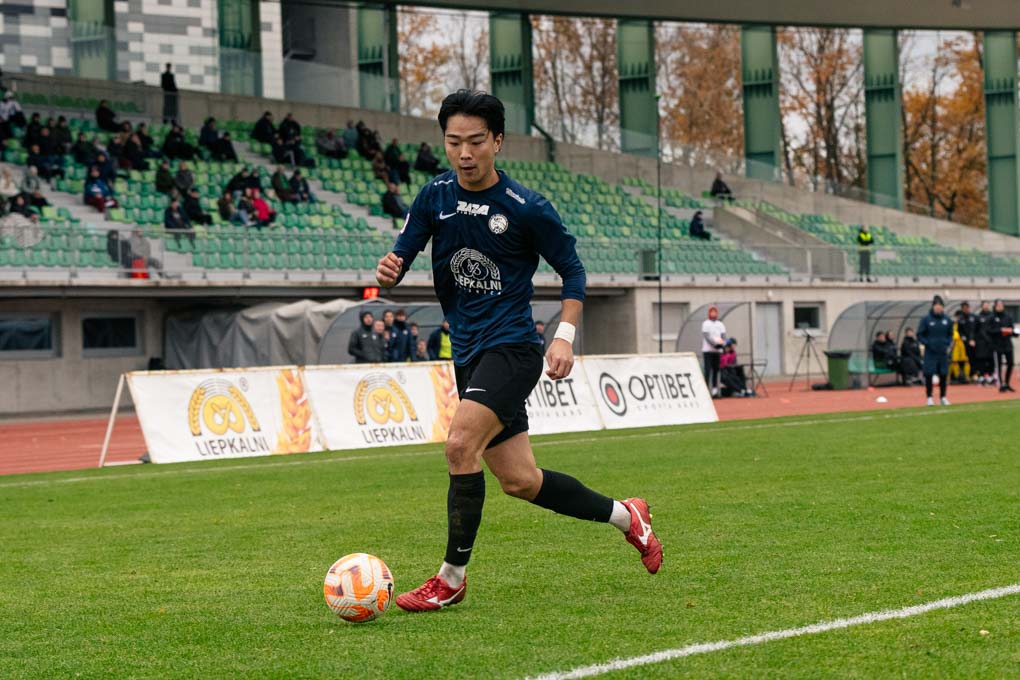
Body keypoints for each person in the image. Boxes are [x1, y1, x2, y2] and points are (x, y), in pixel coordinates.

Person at [376, 90, 661, 612]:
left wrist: (564, 336)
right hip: (468, 354)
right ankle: (628, 517)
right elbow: (400, 257)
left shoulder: (527, 208)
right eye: (454, 142)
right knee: (520, 481)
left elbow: (573, 272)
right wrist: (390, 269)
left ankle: (451, 579)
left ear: (498, 141)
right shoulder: (434, 195)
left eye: (476, 141)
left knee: (459, 446)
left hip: (512, 349)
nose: (465, 153)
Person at [917, 294, 953, 406]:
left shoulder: (947, 320)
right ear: (933, 307)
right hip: (930, 352)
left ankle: (943, 397)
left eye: (940, 306)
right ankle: (929, 397)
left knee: (943, 374)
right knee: (929, 374)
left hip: (943, 352)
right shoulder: (926, 319)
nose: (938, 308)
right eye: (936, 306)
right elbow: (920, 335)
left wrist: (947, 344)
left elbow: (950, 334)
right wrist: (928, 343)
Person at [989, 299, 1016, 393]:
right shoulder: (992, 317)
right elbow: (989, 330)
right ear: (995, 306)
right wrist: (1000, 330)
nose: (1000, 306)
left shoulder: (1008, 317)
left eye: (1001, 305)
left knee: (1011, 363)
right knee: (999, 365)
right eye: (998, 305)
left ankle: (1007, 383)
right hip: (997, 345)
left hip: (1007, 344)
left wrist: (1014, 332)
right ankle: (1001, 385)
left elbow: (1012, 329)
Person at [702, 305, 726, 397]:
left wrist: (721, 344)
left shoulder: (720, 324)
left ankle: (715, 391)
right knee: (708, 370)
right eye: (712, 312)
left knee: (716, 370)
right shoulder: (706, 323)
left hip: (717, 351)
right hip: (708, 351)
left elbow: (723, 335)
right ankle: (706, 391)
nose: (713, 313)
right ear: (709, 313)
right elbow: (706, 336)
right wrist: (714, 344)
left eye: (715, 312)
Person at [975, 300, 995, 385]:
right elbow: (975, 329)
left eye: (987, 305)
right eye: (984, 305)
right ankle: (981, 376)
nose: (986, 306)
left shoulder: (993, 316)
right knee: (981, 359)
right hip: (981, 342)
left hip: (991, 342)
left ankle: (991, 375)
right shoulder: (978, 317)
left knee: (991, 359)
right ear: (982, 306)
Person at [956, 301, 977, 382]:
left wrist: (973, 339)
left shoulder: (973, 317)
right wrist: (966, 339)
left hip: (974, 342)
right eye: (964, 308)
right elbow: (959, 331)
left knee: (974, 359)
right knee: (964, 359)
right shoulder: (960, 319)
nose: (966, 309)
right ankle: (964, 375)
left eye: (967, 307)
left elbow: (976, 329)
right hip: (964, 343)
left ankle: (974, 374)